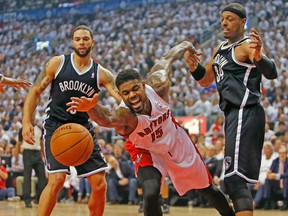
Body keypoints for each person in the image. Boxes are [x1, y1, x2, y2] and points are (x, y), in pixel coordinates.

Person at [67, 41, 235, 216]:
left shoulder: (159, 86)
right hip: (146, 149)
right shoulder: (125, 114)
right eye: (125, 93)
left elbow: (166, 59)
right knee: (151, 191)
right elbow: (107, 118)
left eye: (135, 89)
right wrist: (90, 107)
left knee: (207, 189)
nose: (132, 96)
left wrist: (184, 45)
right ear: (121, 95)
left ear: (143, 84)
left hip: (175, 141)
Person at [184, 3, 278, 216]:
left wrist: (259, 56)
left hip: (246, 111)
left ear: (243, 22)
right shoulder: (220, 48)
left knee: (233, 179)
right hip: (233, 115)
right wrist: (193, 67)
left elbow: (271, 72)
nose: (224, 22)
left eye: (230, 18)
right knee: (233, 180)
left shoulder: (246, 46)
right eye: (223, 18)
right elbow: (205, 79)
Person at [22, 25, 121, 216]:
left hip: (82, 128)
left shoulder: (102, 73)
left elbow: (121, 99)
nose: (81, 42)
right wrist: (27, 121)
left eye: (85, 38)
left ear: (92, 42)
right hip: (56, 126)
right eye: (77, 39)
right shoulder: (57, 63)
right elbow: (35, 91)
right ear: (72, 42)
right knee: (57, 179)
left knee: (100, 184)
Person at [16, 117, 47, 208]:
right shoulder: (22, 129)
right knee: (27, 177)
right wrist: (17, 157)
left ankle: (38, 198)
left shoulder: (39, 129)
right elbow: (18, 144)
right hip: (27, 152)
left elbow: (41, 143)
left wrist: (43, 154)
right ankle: (27, 200)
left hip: (37, 153)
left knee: (42, 177)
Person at [263, 146, 288, 210]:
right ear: (278, 154)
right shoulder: (275, 161)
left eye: (283, 153)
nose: (282, 155)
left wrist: (277, 176)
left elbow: (287, 174)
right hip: (276, 182)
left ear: (286, 154)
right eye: (280, 153)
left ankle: (285, 202)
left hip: (285, 181)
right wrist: (269, 174)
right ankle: (267, 202)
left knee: (286, 179)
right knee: (267, 180)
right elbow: (271, 171)